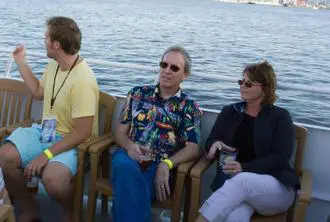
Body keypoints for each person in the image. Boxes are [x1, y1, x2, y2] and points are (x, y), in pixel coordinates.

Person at [0, 16, 99, 222]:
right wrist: (20, 61)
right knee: (6, 155)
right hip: (46, 131)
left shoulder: (83, 81)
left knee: (52, 179)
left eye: (46, 38)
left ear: (56, 44)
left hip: (72, 141)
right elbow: (38, 92)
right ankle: (30, 209)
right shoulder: (54, 65)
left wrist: (45, 155)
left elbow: (82, 132)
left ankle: (69, 211)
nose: (43, 41)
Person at [196, 61, 299, 222]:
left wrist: (244, 167)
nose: (242, 86)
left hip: (276, 189)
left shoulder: (280, 117)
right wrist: (214, 145)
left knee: (241, 180)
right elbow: (211, 140)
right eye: (241, 82)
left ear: (264, 88)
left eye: (248, 83)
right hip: (237, 189)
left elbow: (280, 157)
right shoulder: (230, 112)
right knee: (234, 216)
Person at [112, 46, 202, 222]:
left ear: (185, 75)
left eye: (174, 68)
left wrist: (166, 164)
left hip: (159, 166)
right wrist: (130, 147)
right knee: (125, 169)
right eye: (164, 64)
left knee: (128, 182)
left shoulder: (189, 106)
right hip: (128, 156)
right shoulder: (137, 94)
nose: (167, 71)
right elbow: (120, 133)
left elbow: (193, 148)